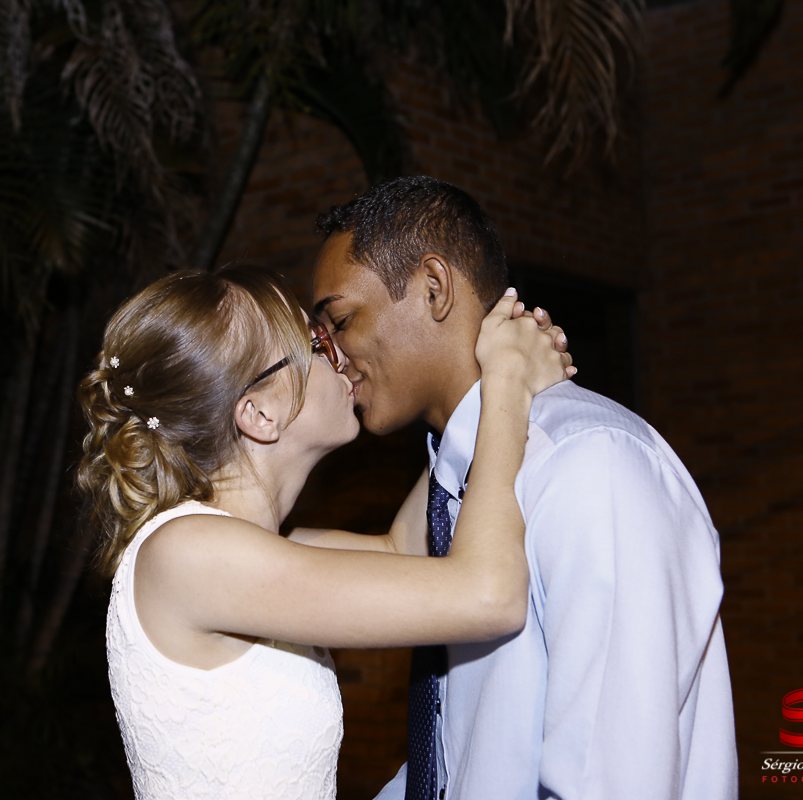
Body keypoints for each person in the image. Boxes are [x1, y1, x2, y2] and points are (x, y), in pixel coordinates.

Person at [307, 175, 737, 800]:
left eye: (340, 321)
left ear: (433, 288)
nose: (330, 356)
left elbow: (608, 779)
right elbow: (466, 757)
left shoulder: (588, 465)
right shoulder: (460, 477)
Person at [76, 263, 573, 799]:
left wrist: (470, 388)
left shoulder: (269, 554)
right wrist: (506, 387)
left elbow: (404, 548)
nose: (339, 352)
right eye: (312, 343)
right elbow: (488, 596)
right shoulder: (186, 553)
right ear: (259, 413)